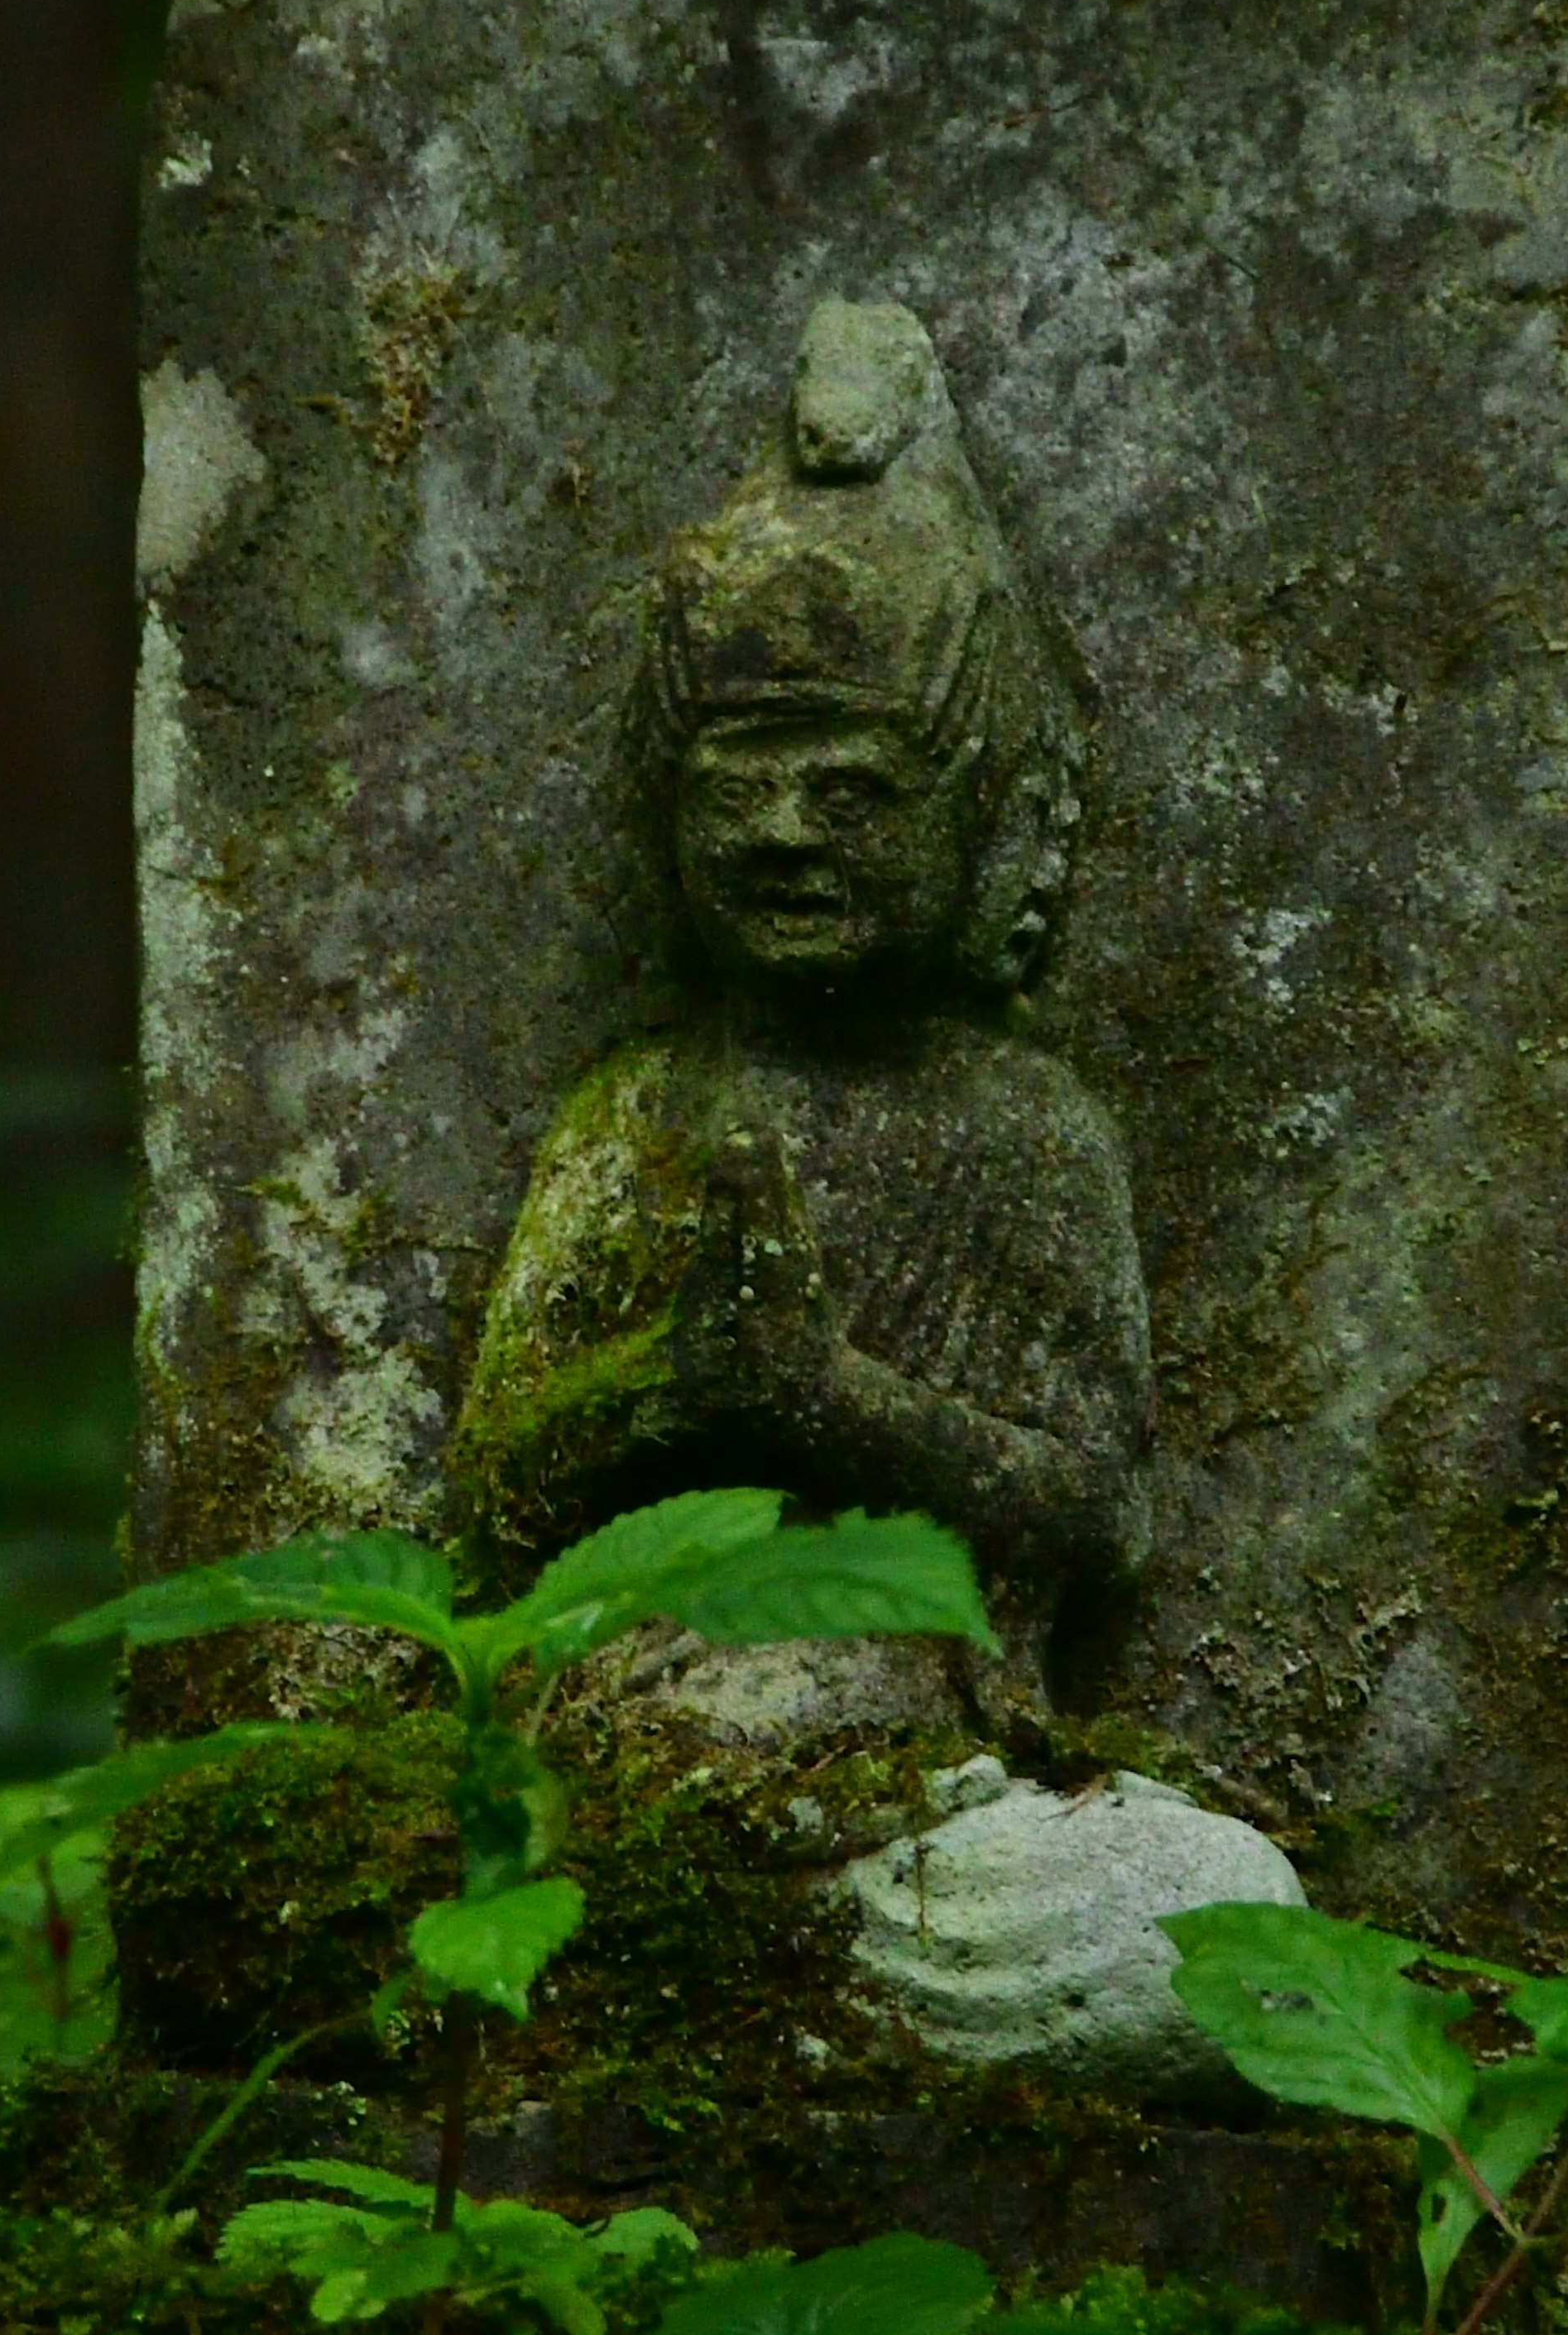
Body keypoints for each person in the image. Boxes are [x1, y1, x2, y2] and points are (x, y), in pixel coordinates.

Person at [448, 295, 1152, 1697]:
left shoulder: (1027, 1132)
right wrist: (671, 1383)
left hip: (934, 1743)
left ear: (981, 823)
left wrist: (833, 1400)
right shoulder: (639, 1116)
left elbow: (1106, 1516)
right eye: (736, 791)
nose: (782, 836)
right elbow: (491, 1500)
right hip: (639, 1718)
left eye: (851, 793)